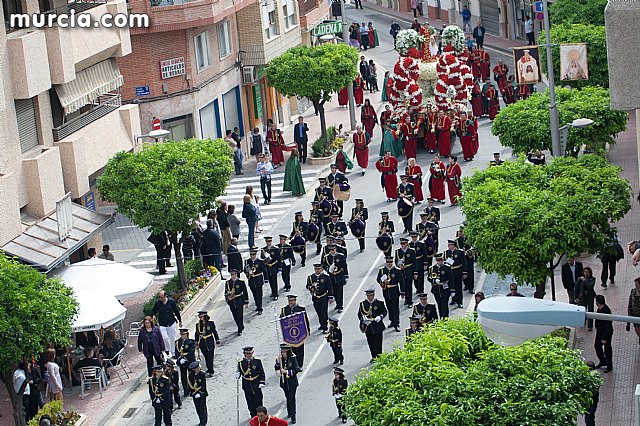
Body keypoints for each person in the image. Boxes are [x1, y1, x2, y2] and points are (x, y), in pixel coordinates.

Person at [358, 289, 387, 362]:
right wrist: (363, 320)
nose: (369, 297)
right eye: (368, 296)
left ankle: (379, 356)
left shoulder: (379, 303)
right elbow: (359, 314)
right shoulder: (363, 304)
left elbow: (384, 312)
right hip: (368, 327)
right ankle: (373, 356)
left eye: (371, 295)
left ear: (373, 295)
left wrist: (380, 317)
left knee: (378, 343)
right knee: (370, 342)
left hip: (377, 325)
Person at [274, 344, 301, 423]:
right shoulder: (281, 359)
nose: (283, 354)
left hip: (292, 382)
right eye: (282, 352)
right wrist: (278, 362)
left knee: (291, 398)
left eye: (285, 352)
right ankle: (289, 412)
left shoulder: (293, 358)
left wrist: (286, 372)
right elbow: (276, 368)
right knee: (287, 397)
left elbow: (296, 369)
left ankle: (293, 416)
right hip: (284, 382)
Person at [280, 295, 310, 366]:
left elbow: (305, 321)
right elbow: (282, 321)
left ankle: (299, 365)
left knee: (300, 350)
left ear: (295, 301)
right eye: (289, 301)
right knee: (290, 350)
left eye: (292, 300)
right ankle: (292, 364)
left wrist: (307, 331)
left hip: (299, 333)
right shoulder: (284, 310)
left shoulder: (301, 309)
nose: (290, 302)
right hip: (289, 334)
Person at [152, 290, 182, 361]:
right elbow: (154, 310)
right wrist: (153, 315)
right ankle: (167, 349)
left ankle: (173, 352)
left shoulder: (171, 302)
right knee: (164, 337)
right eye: (159, 297)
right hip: (162, 323)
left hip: (171, 322)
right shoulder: (158, 303)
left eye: (162, 297)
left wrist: (180, 320)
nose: (160, 298)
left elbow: (176, 311)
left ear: (165, 296)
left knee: (172, 337)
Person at [239, 347, 266, 418]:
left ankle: (260, 416)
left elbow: (262, 373)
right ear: (244, 354)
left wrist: (262, 382)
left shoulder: (257, 362)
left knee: (258, 401)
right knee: (250, 402)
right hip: (247, 385)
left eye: (250, 353)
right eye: (247, 354)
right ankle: (253, 416)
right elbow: (240, 372)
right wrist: (237, 374)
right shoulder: (241, 363)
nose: (249, 355)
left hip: (256, 384)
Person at [307, 263, 334, 333]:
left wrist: (331, 297)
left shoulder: (325, 277)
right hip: (315, 297)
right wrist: (311, 287)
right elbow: (307, 285)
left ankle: (325, 327)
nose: (317, 270)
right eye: (316, 269)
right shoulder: (311, 277)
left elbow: (329, 287)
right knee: (318, 312)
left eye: (319, 269)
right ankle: (322, 324)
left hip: (323, 297)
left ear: (321, 269)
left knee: (324, 312)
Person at [322, 244, 349, 313]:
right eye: (330, 250)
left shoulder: (340, 256)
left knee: (339, 292)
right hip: (331, 277)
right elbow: (324, 266)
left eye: (333, 250)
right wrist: (329, 269)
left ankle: (340, 306)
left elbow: (344, 266)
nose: (332, 251)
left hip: (339, 276)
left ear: (335, 249)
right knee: (334, 292)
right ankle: (337, 304)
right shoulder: (327, 257)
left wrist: (346, 276)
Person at [195, 311, 220, 377]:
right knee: (206, 356)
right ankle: (209, 369)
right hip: (202, 342)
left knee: (210, 356)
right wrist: (196, 342)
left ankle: (211, 370)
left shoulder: (210, 323)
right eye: (200, 316)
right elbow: (196, 334)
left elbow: (214, 332)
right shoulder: (198, 325)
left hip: (209, 341)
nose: (200, 318)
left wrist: (217, 340)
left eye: (202, 316)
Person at [428, 253, 454, 318]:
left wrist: (452, 290)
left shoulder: (447, 268)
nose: (440, 261)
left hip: (445, 289)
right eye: (438, 260)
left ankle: (445, 319)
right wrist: (434, 281)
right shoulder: (432, 268)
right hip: (436, 290)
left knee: (444, 305)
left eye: (441, 260)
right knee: (439, 305)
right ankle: (441, 318)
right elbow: (429, 277)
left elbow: (451, 279)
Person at [594, 295, 613, 373]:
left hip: (606, 334)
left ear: (598, 302)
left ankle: (609, 365)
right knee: (597, 346)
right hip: (600, 332)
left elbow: (608, 326)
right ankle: (602, 361)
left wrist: (605, 338)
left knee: (607, 349)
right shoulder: (599, 309)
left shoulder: (606, 311)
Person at [174, 328, 196, 396]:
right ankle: (186, 391)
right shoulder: (177, 342)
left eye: (184, 334)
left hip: (189, 360)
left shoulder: (191, 342)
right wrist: (179, 359)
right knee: (183, 377)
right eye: (181, 334)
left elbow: (191, 352)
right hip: (181, 361)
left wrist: (186, 359)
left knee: (191, 375)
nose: (182, 336)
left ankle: (192, 389)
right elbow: (176, 352)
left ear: (187, 334)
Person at [584, 361, 600, 426]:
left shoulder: (589, 379)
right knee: (590, 418)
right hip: (594, 402)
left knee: (588, 420)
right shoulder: (596, 377)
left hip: (590, 403)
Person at [627, 277, 640, 345]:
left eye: (637, 283)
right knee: (637, 328)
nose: (635, 285)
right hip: (636, 314)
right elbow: (630, 302)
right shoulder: (633, 291)